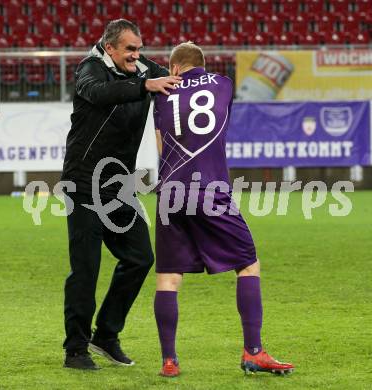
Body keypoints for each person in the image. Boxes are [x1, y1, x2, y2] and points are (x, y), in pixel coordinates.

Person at [153, 42, 294, 377]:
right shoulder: (224, 84)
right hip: (210, 188)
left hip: (170, 190)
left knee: (168, 278)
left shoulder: (160, 95)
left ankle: (169, 361)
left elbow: (160, 146)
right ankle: (253, 352)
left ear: (173, 69)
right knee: (248, 264)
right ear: (202, 64)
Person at [61, 19, 181, 370]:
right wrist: (145, 85)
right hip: (82, 183)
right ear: (109, 47)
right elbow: (99, 93)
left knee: (140, 257)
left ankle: (106, 335)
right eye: (129, 49)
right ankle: (75, 349)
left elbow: (179, 79)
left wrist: (208, 84)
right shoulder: (90, 68)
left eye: (139, 49)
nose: (136, 55)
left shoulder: (143, 69)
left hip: (118, 186)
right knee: (86, 269)